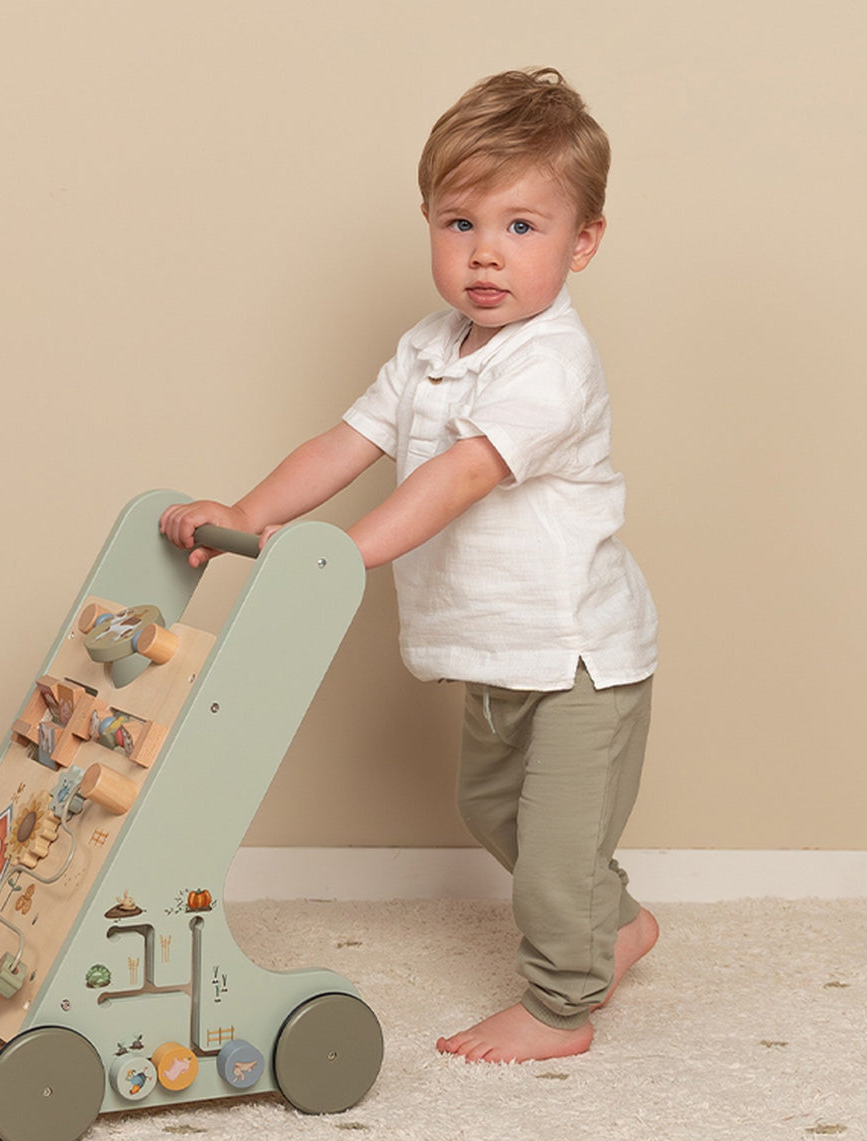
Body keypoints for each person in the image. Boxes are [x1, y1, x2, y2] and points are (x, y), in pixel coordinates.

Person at [160, 68, 658, 1063]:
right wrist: (248, 513)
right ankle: (620, 921)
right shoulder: (429, 346)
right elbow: (347, 440)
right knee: (487, 807)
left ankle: (560, 1003)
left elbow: (463, 476)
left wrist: (345, 553)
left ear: (581, 241)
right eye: (457, 222)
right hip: (490, 650)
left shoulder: (549, 361)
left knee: (553, 853)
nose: (484, 252)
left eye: (521, 226)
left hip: (575, 656)